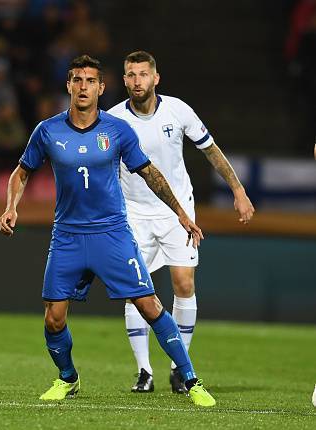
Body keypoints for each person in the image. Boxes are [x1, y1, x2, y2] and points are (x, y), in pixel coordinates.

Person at [0, 54, 216, 407]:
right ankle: (68, 378)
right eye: (76, 80)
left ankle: (191, 379)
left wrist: (181, 214)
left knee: (149, 304)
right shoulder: (47, 131)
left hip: (112, 233)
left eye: (90, 81)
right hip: (67, 236)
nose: (83, 87)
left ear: (101, 88)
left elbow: (150, 173)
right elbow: (21, 172)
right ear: (68, 85)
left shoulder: (117, 130)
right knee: (54, 318)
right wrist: (11, 206)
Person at [107, 51, 255, 394]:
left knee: (184, 284)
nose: (137, 81)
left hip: (177, 212)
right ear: (124, 79)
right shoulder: (113, 119)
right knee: (136, 292)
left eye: (143, 74)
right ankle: (144, 371)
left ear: (156, 78)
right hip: (133, 213)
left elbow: (210, 149)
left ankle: (178, 366)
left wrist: (237, 189)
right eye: (130, 75)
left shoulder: (178, 110)